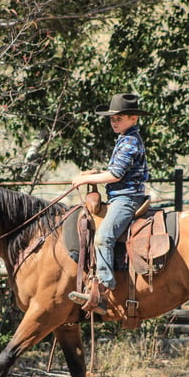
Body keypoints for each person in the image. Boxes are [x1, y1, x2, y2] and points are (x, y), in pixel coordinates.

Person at [71, 93, 150, 314]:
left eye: (120, 118)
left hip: (127, 198)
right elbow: (117, 172)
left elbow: (115, 175)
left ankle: (105, 286)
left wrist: (86, 179)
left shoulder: (130, 142)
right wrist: (97, 173)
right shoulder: (125, 139)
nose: (115, 122)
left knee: (103, 236)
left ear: (133, 119)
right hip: (120, 195)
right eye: (112, 118)